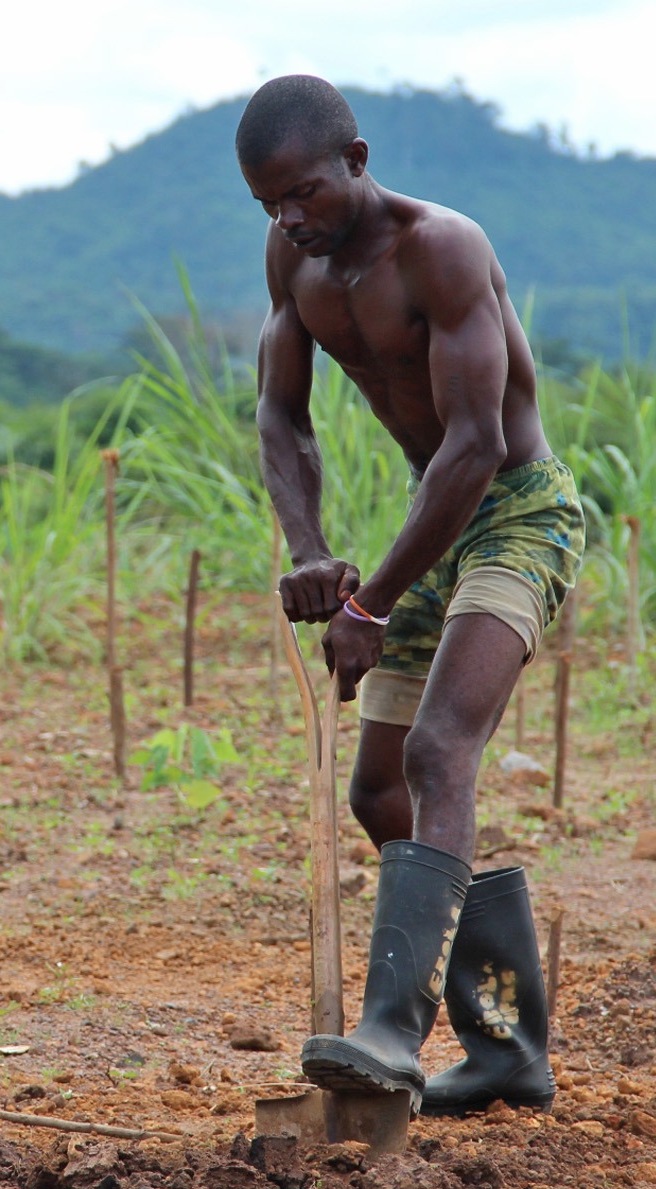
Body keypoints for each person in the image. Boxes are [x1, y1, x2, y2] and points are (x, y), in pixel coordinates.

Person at [237, 75, 581, 1114]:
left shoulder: (442, 250)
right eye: (268, 206)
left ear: (356, 157)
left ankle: (391, 1028)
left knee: (440, 751)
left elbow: (475, 447)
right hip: (427, 528)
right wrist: (309, 549)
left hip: (513, 513)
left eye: (302, 193)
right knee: (379, 795)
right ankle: (506, 1044)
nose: (290, 220)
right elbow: (279, 416)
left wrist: (370, 604)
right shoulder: (292, 265)